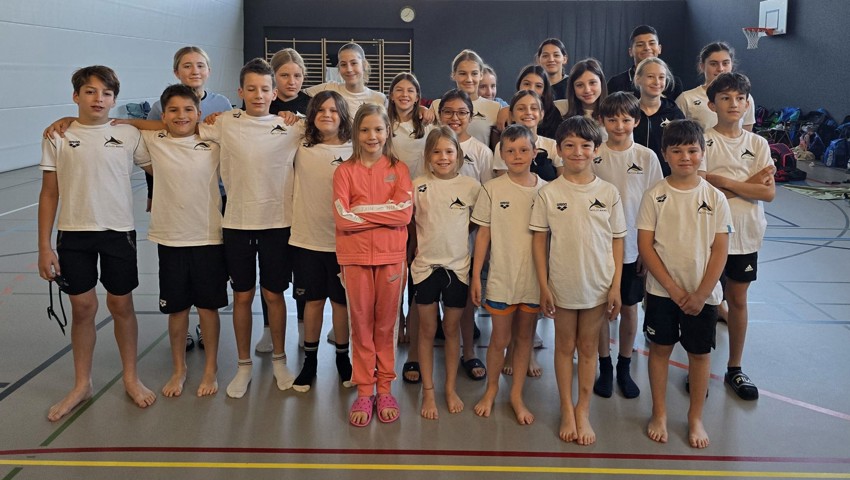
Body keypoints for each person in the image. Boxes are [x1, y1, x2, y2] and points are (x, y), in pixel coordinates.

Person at [38, 65, 156, 421]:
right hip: (74, 234)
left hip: (119, 232)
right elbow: (49, 193)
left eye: (106, 93)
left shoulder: (129, 134)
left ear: (115, 100)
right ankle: (81, 384)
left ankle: (131, 378)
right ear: (76, 96)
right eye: (90, 92)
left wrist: (137, 124)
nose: (98, 99)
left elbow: (169, 140)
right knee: (83, 308)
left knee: (121, 306)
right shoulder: (57, 136)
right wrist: (45, 246)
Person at [200, 58, 301, 398]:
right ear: (240, 92)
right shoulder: (224, 122)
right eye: (252, 89)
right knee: (242, 295)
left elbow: (339, 127)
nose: (259, 95)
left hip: (278, 224)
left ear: (276, 93)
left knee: (274, 295)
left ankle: (279, 359)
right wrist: (121, 122)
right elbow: (176, 125)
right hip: (238, 225)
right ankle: (243, 365)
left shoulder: (293, 126)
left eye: (265, 89)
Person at [637, 119, 732, 449]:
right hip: (663, 294)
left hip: (702, 297)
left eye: (692, 150)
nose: (685, 157)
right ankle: (659, 412)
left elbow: (720, 249)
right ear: (665, 154)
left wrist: (703, 294)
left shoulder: (716, 198)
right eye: (676, 151)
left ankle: (695, 418)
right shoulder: (655, 196)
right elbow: (646, 247)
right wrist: (675, 291)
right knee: (660, 351)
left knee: (699, 355)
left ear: (703, 153)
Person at [531, 116, 625, 445]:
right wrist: (544, 286)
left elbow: (617, 240)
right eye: (569, 145)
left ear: (596, 150)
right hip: (562, 285)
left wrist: (614, 286)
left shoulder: (609, 193)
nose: (577, 151)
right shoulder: (549, 193)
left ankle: (582, 408)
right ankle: (566, 408)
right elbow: (539, 242)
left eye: (585, 145)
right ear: (558, 150)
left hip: (598, 286)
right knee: (563, 347)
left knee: (588, 349)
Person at [142, 84, 227, 398]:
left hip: (208, 238)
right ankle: (179, 368)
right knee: (177, 310)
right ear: (162, 116)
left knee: (208, 307)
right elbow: (131, 130)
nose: (182, 116)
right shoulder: (154, 140)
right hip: (170, 238)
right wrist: (125, 122)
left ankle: (210, 368)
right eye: (174, 110)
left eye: (188, 109)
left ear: (199, 114)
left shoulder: (213, 139)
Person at [333, 104, 413, 426]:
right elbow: (342, 218)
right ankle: (365, 390)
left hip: (391, 258)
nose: (372, 136)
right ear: (356, 133)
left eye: (378, 129)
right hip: (354, 259)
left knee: (386, 326)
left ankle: (385, 386)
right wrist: (384, 213)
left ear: (387, 132)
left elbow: (404, 214)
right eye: (365, 129)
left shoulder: (400, 169)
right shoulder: (343, 171)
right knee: (361, 325)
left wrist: (362, 208)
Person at [701, 72, 775, 401]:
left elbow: (768, 194)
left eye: (740, 99)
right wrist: (750, 186)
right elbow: (699, 189)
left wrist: (724, 182)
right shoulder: (702, 140)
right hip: (707, 234)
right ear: (711, 103)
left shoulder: (757, 144)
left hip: (747, 235)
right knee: (704, 301)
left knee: (738, 301)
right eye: (726, 98)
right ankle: (697, 365)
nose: (734, 104)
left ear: (748, 104)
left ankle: (735, 367)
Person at [470, 125, 546, 425]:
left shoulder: (547, 190)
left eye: (524, 150)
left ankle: (516, 395)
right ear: (501, 154)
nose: (517, 156)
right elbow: (483, 237)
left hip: (533, 279)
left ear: (535, 153)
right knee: (498, 339)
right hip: (501, 277)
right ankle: (491, 389)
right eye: (510, 151)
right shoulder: (492, 188)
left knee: (524, 337)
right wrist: (477, 275)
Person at [591, 92, 663, 399]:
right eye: (612, 119)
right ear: (602, 121)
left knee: (630, 308)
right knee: (599, 310)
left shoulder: (647, 157)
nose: (619, 125)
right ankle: (604, 365)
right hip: (598, 248)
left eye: (625, 119)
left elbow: (657, 204)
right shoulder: (593, 155)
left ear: (636, 120)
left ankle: (624, 363)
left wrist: (650, 249)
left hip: (634, 248)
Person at [412, 127, 481, 419]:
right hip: (425, 268)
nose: (443, 157)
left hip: (458, 269)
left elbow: (476, 222)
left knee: (452, 330)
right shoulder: (416, 185)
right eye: (437, 152)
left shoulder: (470, 187)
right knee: (428, 330)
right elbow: (408, 227)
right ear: (428, 156)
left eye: (449, 151)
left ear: (459, 155)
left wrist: (457, 238)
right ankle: (429, 392)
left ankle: (449, 388)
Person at [289, 91, 354, 393]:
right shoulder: (301, 144)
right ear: (312, 115)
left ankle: (343, 358)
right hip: (307, 240)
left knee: (341, 303)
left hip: (345, 243)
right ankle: (310, 362)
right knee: (312, 302)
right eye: (321, 110)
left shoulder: (355, 149)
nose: (327, 114)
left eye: (333, 110)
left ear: (343, 115)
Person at [436, 88, 491, 382]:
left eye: (462, 112)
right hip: (435, 239)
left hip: (468, 240)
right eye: (448, 112)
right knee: (435, 297)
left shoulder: (481, 151)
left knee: (466, 300)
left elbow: (486, 199)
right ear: (438, 114)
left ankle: (468, 352)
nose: (454, 118)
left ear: (471, 116)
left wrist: (465, 228)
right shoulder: (432, 145)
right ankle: (435, 350)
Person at [387, 72, 433, 384]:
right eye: (399, 90)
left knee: (416, 262)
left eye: (411, 91)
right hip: (390, 201)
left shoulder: (427, 125)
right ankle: (398, 319)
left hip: (421, 202)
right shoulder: (383, 121)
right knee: (397, 266)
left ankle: (415, 322)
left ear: (418, 96)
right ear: (391, 95)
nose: (405, 95)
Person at [676, 42, 757, 132]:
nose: (720, 69)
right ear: (702, 66)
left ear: (732, 65)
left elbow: (746, 134)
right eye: (714, 64)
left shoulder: (745, 98)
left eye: (725, 63)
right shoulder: (686, 98)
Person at [431, 49, 501, 146]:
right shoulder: (437, 105)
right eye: (463, 73)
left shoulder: (495, 108)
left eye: (474, 73)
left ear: (481, 75)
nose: (469, 79)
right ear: (453, 75)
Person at [492, 90, 563, 181]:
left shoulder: (553, 145)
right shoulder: (502, 146)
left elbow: (562, 180)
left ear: (541, 114)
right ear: (511, 115)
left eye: (534, 108)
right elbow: (504, 183)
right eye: (521, 109)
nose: (528, 112)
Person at [632, 57, 685, 177]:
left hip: (666, 178)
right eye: (650, 76)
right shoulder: (629, 112)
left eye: (661, 77)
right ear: (638, 78)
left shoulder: (673, 112)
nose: (657, 82)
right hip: (632, 176)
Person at [306, 43, 386, 117]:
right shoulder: (329, 88)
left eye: (354, 63)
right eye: (343, 64)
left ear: (364, 65)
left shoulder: (379, 99)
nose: (349, 69)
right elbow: (296, 95)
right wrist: (294, 115)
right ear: (339, 68)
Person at [607, 25, 683, 101]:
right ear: (631, 52)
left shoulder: (674, 83)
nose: (647, 48)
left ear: (659, 49)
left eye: (652, 43)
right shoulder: (616, 83)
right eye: (640, 45)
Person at [494, 65, 563, 141]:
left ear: (544, 90)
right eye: (527, 84)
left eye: (538, 86)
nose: (532, 89)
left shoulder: (553, 113)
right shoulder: (508, 112)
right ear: (519, 85)